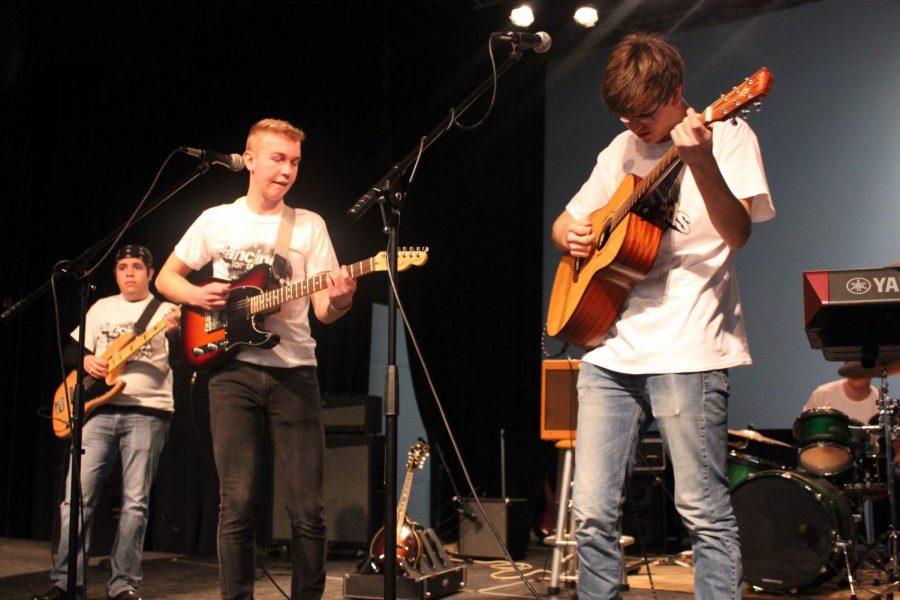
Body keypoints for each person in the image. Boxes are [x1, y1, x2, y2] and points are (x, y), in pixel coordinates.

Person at [550, 32, 773, 599]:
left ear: (676, 94)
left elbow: (738, 233)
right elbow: (566, 222)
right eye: (625, 117)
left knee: (702, 510)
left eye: (644, 115)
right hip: (611, 347)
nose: (634, 127)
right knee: (591, 513)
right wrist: (572, 236)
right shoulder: (620, 151)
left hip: (690, 347)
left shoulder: (727, 136)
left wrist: (700, 163)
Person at [155, 118, 356, 600]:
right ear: (249, 159)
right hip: (232, 372)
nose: (287, 170)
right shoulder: (216, 219)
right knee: (238, 503)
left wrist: (343, 297)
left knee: (307, 507)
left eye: (295, 163)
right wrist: (198, 298)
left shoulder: (309, 225)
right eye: (278, 159)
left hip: (295, 373)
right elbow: (167, 278)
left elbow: (325, 310)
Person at [35, 244, 180, 600]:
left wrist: (175, 331)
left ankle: (124, 586)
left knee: (135, 502)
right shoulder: (100, 308)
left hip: (149, 410)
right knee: (75, 499)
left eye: (136, 267)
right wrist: (87, 361)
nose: (129, 273)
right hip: (96, 412)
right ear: (114, 274)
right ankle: (67, 582)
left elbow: (188, 352)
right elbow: (72, 349)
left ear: (150, 272)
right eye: (122, 267)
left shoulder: (166, 311)